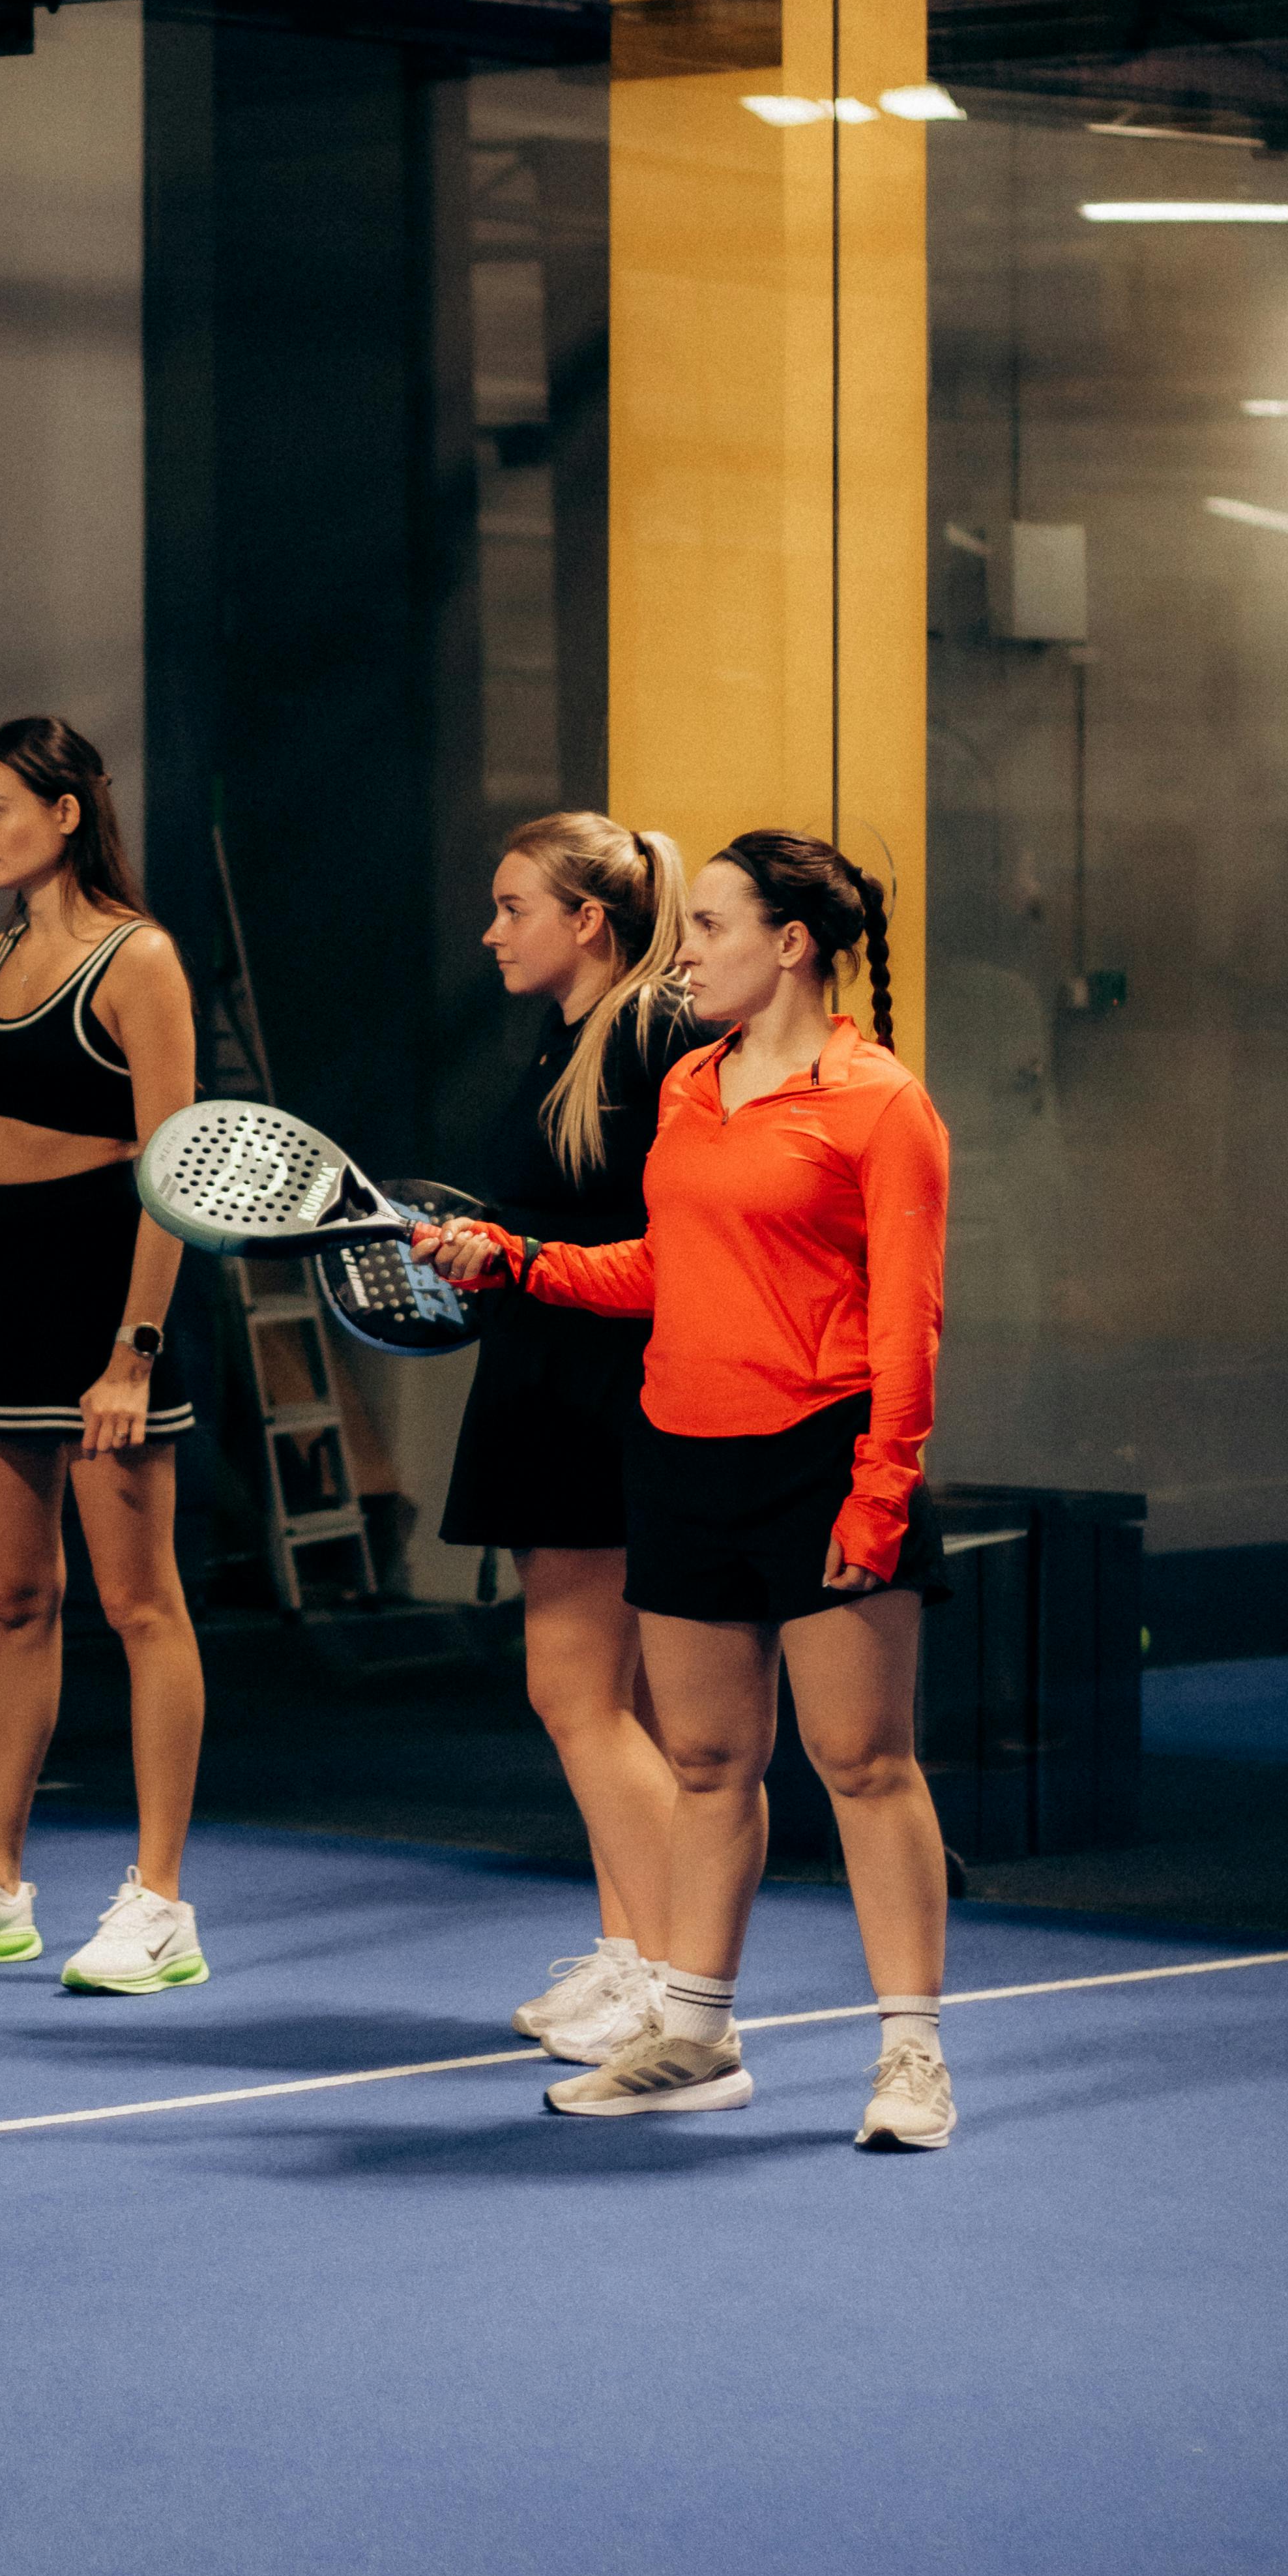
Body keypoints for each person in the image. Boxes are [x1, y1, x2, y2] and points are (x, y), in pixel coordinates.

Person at [420, 833, 956, 2151]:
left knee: (862, 1764)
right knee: (710, 1765)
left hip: (822, 1464)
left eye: (709, 927)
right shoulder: (691, 1089)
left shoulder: (882, 1106)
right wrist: (514, 1261)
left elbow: (907, 1323)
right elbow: (664, 1266)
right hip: (678, 1454)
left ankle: (910, 2059)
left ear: (786, 944)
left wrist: (876, 1496)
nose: (686, 951)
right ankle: (695, 2036)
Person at [0, 716, 207, 1996]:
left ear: (66, 813)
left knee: (137, 1603)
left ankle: (160, 1901)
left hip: (99, 1291)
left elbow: (170, 1171)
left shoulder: (141, 961)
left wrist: (132, 1353)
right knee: (13, 1604)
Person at [441, 816, 694, 2070]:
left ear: (589, 919)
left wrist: (518, 1257)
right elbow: (556, 1210)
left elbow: (673, 1244)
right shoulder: (574, 1034)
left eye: (512, 907)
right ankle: (632, 1954)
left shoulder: (654, 1034)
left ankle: (678, 1981)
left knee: (575, 1692)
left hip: (601, 1392)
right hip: (550, 1374)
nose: (492, 932)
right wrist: (478, 1249)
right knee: (618, 1697)